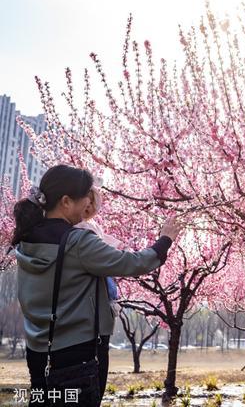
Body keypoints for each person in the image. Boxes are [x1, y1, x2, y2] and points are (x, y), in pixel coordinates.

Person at [13, 164, 183, 406]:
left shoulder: (26, 239)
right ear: (66, 201)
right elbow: (131, 263)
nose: (87, 206)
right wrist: (164, 240)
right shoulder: (77, 241)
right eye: (85, 198)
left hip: (39, 351)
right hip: (77, 353)